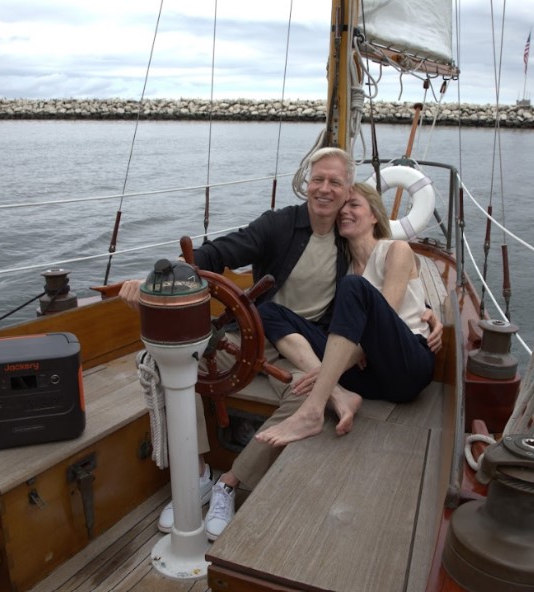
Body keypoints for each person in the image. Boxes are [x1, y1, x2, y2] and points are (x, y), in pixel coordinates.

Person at [119, 147, 354, 540]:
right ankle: (196, 476)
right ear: (306, 184)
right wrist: (169, 277)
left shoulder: (352, 237)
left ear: (348, 191)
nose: (324, 189)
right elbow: (221, 252)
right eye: (317, 179)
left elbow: (384, 279)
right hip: (251, 334)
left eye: (335, 182)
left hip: (304, 346)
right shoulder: (278, 225)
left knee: (308, 394)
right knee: (175, 364)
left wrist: (427, 316)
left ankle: (229, 482)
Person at [255, 182, 443, 447]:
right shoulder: (341, 269)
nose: (345, 211)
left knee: (353, 287)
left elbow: (386, 313)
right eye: (342, 207)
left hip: (405, 367)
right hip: (365, 379)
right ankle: (338, 393)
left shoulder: (395, 250)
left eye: (354, 205)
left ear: (374, 216)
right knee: (266, 310)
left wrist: (325, 369)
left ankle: (313, 410)